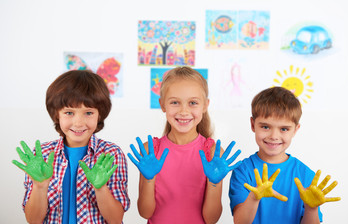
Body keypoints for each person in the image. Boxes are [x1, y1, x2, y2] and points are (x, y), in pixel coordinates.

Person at [12, 70, 130, 224]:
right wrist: (39, 187)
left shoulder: (110, 154)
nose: (79, 123)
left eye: (88, 113)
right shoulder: (43, 156)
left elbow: (115, 219)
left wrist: (101, 188)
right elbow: (33, 220)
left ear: (99, 115)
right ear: (57, 115)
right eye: (69, 112)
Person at [128, 66, 241, 224]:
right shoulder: (151, 151)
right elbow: (145, 212)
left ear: (205, 105)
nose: (183, 111)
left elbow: (211, 219)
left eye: (193, 103)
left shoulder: (213, 153)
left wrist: (214, 183)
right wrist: (149, 178)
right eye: (175, 102)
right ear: (162, 105)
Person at [229, 86, 340, 224]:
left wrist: (311, 209)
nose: (274, 136)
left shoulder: (305, 174)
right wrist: (254, 197)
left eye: (283, 129)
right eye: (265, 127)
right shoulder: (243, 171)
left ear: (295, 130)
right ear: (253, 124)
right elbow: (240, 222)